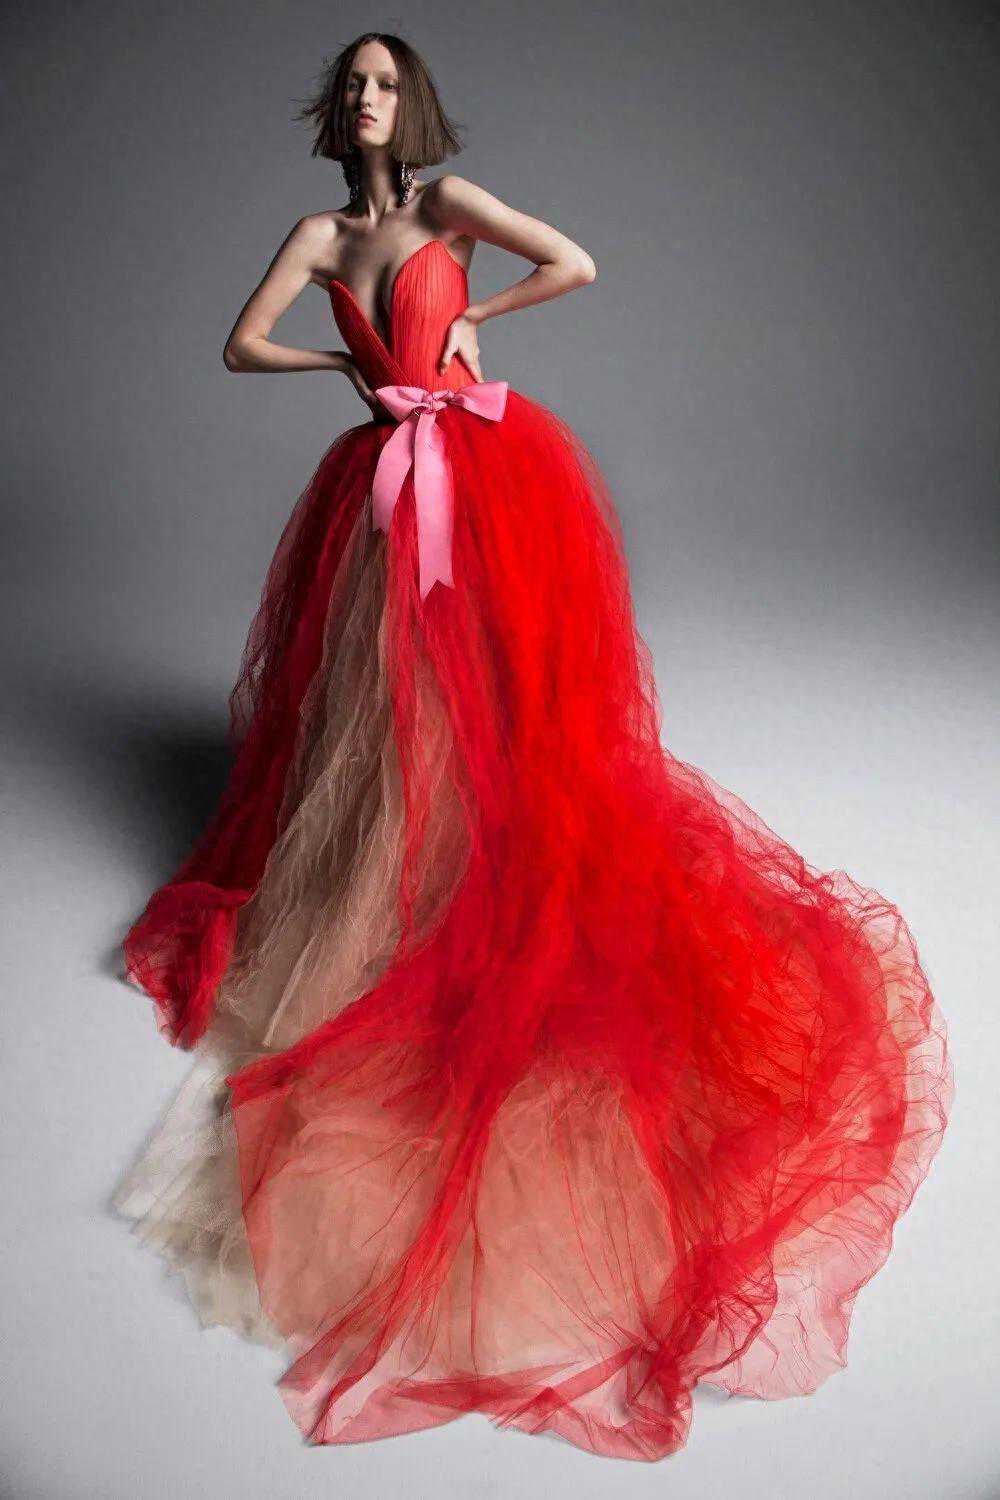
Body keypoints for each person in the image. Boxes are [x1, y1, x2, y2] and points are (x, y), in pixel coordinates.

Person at [113, 31, 953, 1463]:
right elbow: (240, 344)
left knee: (498, 685)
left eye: (386, 84)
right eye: (353, 85)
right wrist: (355, 372)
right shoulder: (319, 233)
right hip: (384, 467)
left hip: (486, 464)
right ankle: (394, 865)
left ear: (412, 105)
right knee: (379, 688)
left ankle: (479, 844)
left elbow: (574, 261)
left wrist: (467, 334)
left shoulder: (448, 207)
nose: (367, 100)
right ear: (335, 109)